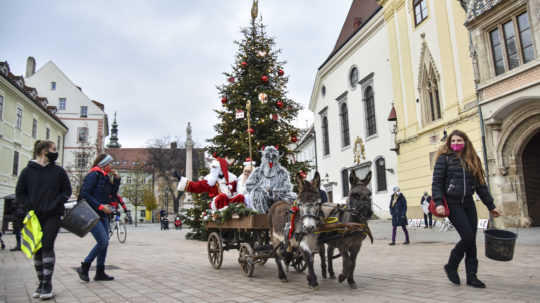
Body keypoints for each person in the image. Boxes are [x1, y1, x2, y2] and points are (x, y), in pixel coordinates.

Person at [432, 130, 502, 288]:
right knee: (468, 236)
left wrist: (491, 206)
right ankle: (452, 264)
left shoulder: (473, 159)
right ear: (449, 143)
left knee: (471, 241)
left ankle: (472, 276)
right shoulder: (444, 159)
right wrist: (439, 203)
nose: (456, 144)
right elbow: (436, 183)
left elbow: (481, 186)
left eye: (459, 141)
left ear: (465, 142)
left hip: (469, 203)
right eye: (453, 141)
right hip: (452, 203)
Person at [15, 140, 72, 299]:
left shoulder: (59, 171)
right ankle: (41, 283)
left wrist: (57, 203)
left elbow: (67, 191)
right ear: (43, 151)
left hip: (53, 215)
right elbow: (20, 193)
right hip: (34, 216)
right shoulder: (28, 171)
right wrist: (29, 206)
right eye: (53, 149)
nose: (55, 152)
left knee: (47, 245)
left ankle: (47, 284)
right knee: (38, 248)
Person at [76, 154, 120, 282]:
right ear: (103, 164)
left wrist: (116, 179)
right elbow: (84, 194)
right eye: (110, 163)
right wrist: (100, 206)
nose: (112, 166)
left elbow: (112, 195)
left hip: (103, 214)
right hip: (91, 213)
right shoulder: (93, 175)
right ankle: (85, 266)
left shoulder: (105, 177)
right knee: (103, 241)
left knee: (104, 244)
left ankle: (100, 272)